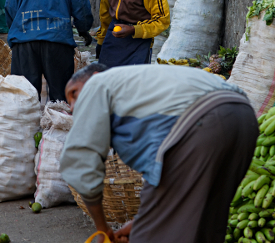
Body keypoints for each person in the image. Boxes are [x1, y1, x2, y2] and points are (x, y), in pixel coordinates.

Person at [60, 63, 258, 243]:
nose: (72, 107)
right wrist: (142, 222)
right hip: (243, 118)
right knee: (206, 228)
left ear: (94, 76)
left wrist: (103, 230)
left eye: (74, 93)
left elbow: (80, 161)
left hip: (201, 124)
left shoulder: (98, 84)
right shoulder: (143, 83)